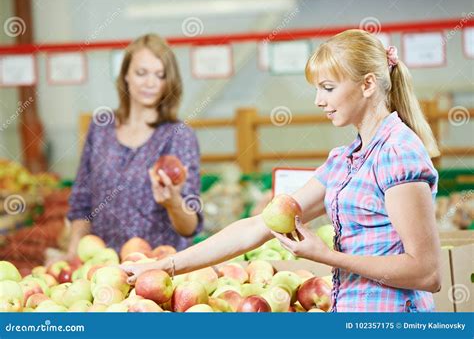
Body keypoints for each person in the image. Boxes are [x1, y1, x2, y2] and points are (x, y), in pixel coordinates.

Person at [121, 29, 442, 312]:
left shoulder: (398, 152)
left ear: (368, 84)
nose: (318, 100)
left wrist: (326, 255)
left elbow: (426, 272)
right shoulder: (345, 160)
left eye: (328, 88)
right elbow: (256, 228)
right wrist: (166, 265)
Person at [64, 34, 203, 258]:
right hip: (103, 267)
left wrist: (173, 202)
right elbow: (82, 199)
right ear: (126, 75)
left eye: (160, 75)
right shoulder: (101, 127)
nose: (150, 83)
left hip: (159, 268)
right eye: (141, 73)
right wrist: (75, 247)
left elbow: (190, 226)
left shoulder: (178, 135)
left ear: (169, 82)